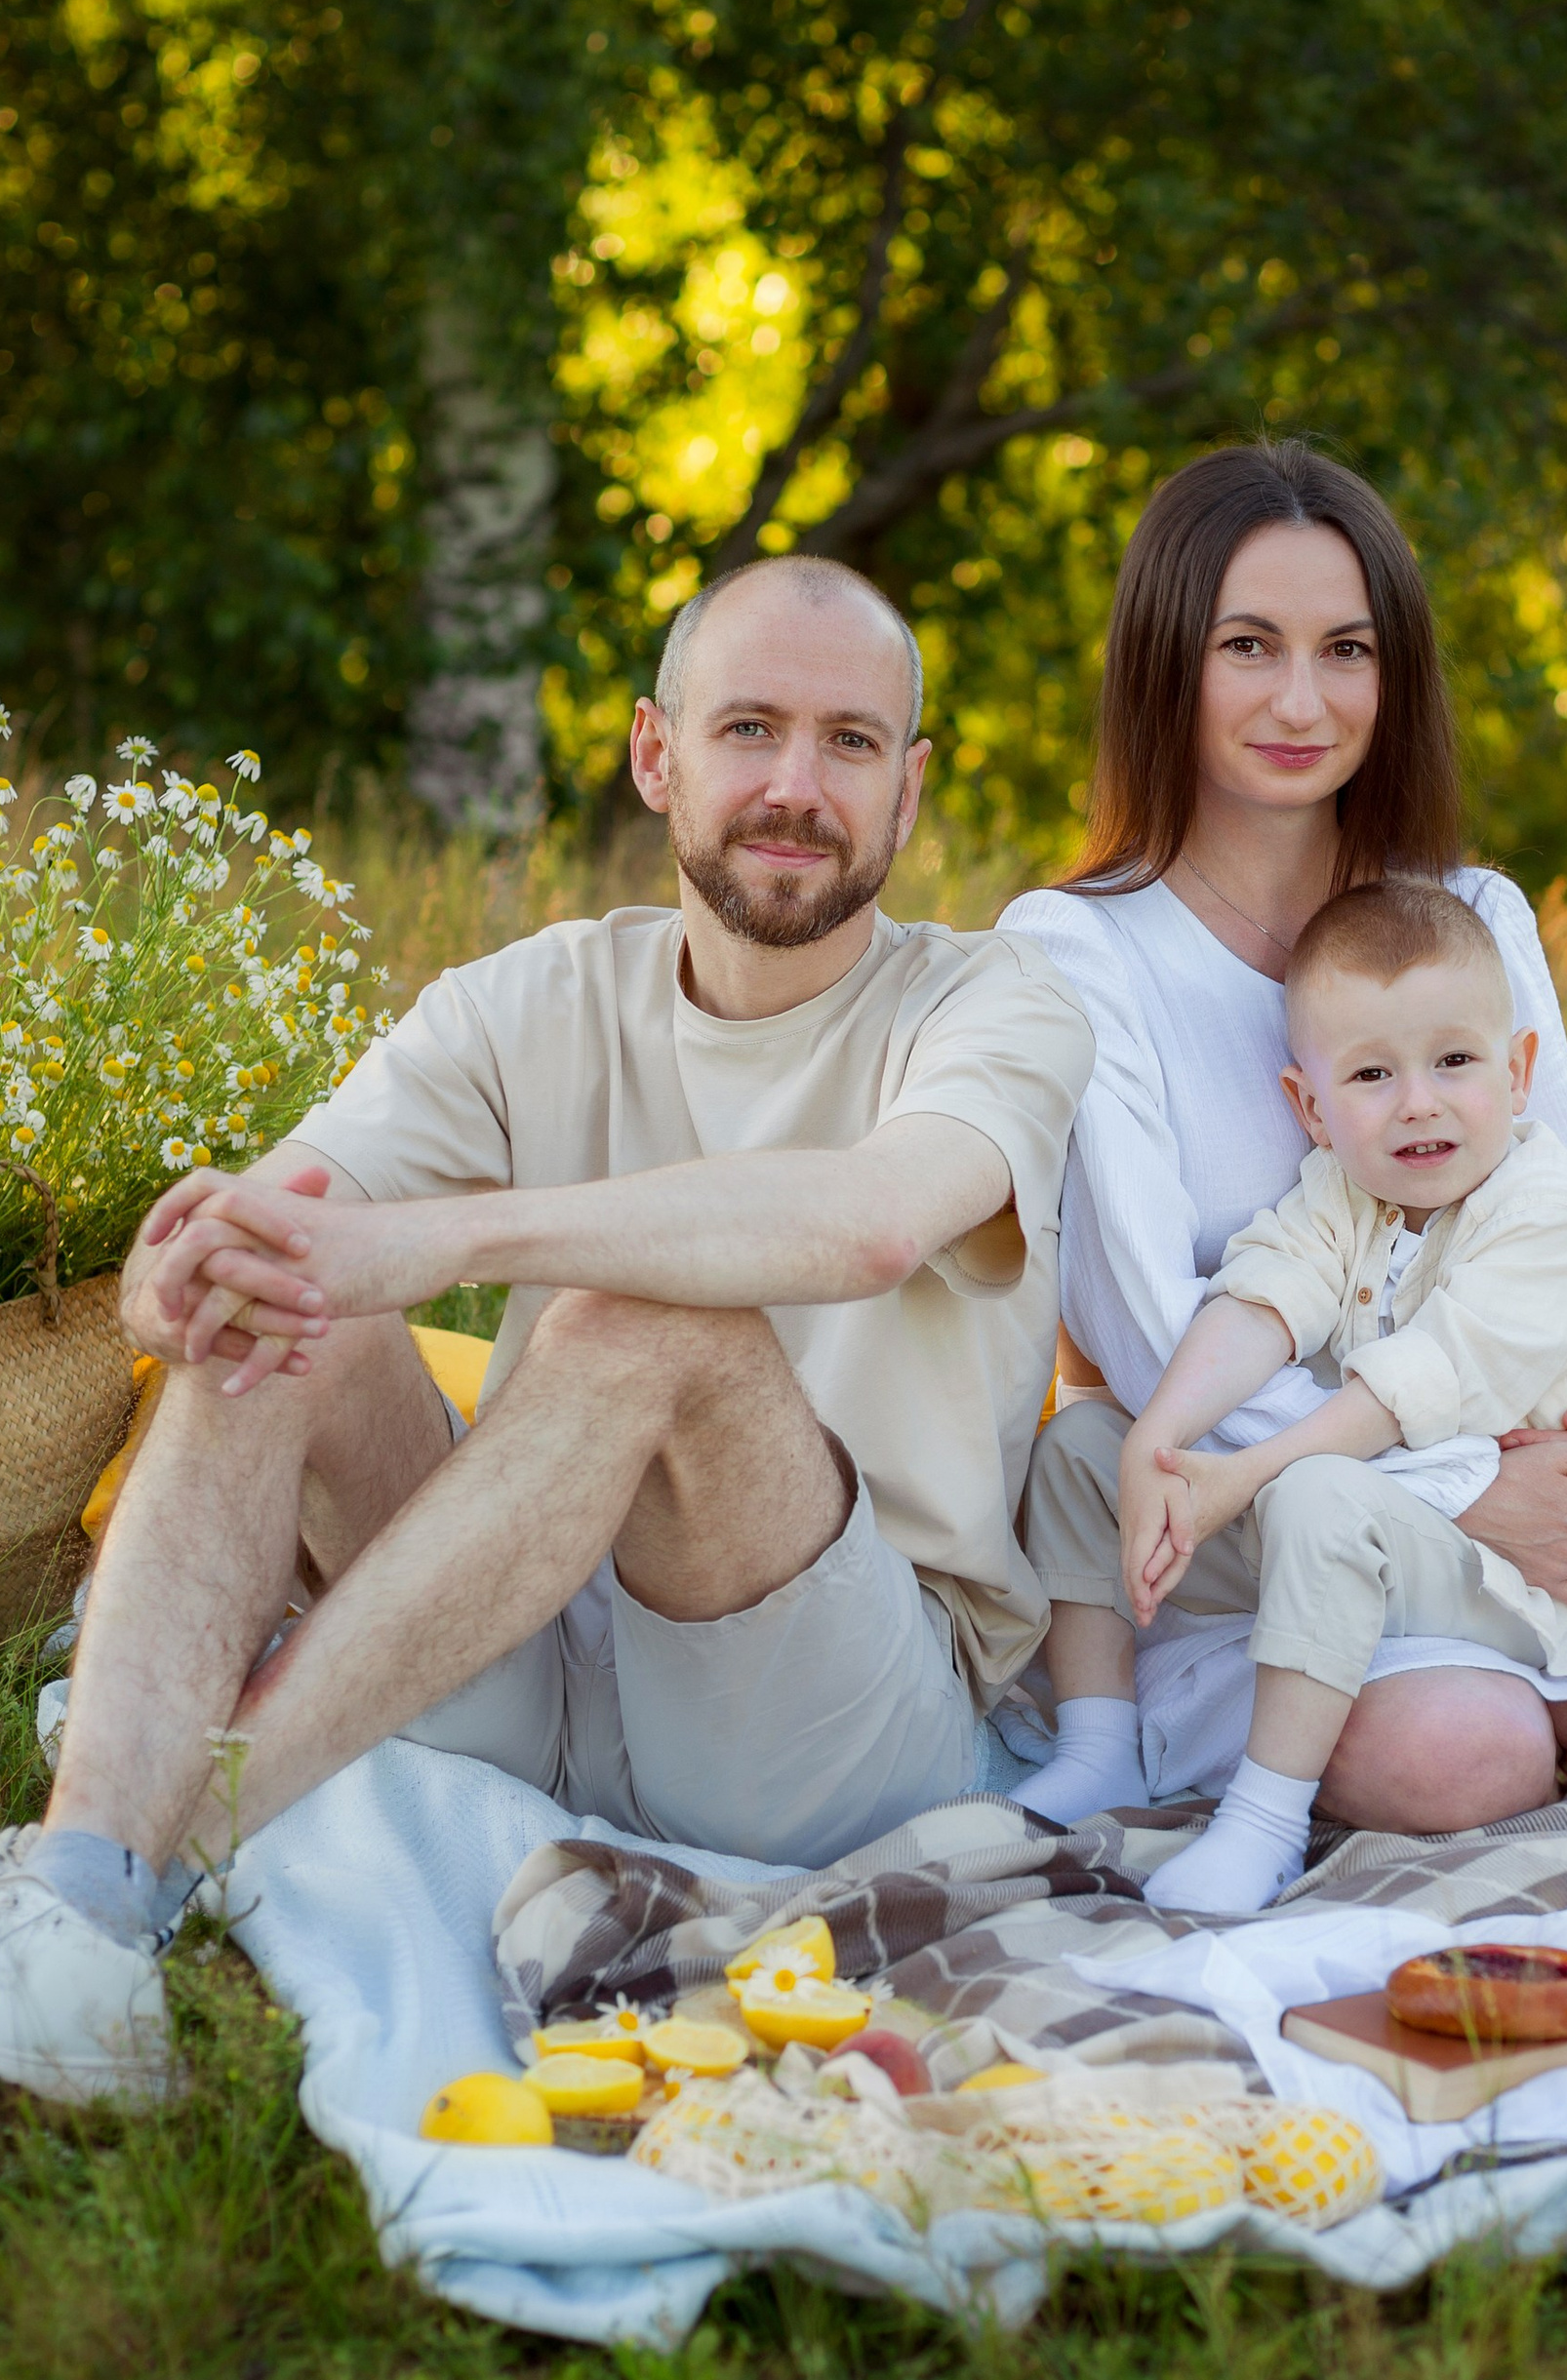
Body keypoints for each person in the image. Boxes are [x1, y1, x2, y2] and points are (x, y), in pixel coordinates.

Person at [0, 555, 1094, 2105]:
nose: (797, 784)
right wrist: (196, 1260)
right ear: (657, 753)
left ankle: (160, 1860)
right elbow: (294, 1210)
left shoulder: (999, 1003)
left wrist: (447, 1238)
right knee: (277, 1309)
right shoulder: (531, 997)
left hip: (828, 1708)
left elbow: (868, 1222)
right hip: (515, 1619)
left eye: (851, 743)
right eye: (750, 730)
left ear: (909, 793)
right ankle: (80, 1923)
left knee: (648, 1328)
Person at [999, 441, 1567, 1842]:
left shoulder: (1472, 918)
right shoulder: (1081, 951)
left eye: (1347, 648)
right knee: (1470, 1760)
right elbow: (1151, 1337)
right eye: (1248, 646)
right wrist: (1467, 1499)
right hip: (1251, 1541)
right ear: (1167, 660)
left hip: (1508, 1499)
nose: (1302, 699)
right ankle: (1533, 1727)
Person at [1105, 879, 1567, 1912]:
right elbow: (1265, 1294)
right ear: (1310, 1108)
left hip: (1525, 1562)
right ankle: (1091, 1739)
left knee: (1315, 1491)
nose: (1418, 1100)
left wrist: (1240, 1474)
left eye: (1454, 1061)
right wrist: (1159, 1434)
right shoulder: (1348, 1188)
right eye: (1372, 1073)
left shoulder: (1548, 1211)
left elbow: (1412, 1384)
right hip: (1404, 1542)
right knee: (1086, 1441)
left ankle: (1262, 1825)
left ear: (1516, 1072)